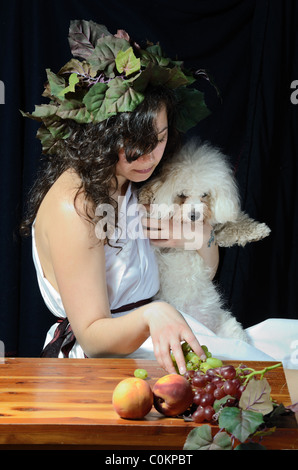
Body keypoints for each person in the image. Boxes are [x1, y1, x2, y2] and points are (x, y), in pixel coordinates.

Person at [21, 20, 218, 375]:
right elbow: (94, 337)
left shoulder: (134, 179)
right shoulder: (77, 205)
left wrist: (204, 236)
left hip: (154, 339)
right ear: (99, 136)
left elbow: (205, 267)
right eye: (134, 147)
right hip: (102, 367)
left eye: (159, 139)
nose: (150, 158)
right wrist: (154, 313)